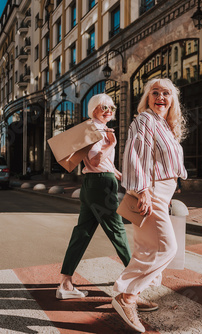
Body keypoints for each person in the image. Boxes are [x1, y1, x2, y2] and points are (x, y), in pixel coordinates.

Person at [111, 78, 188, 333]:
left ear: (172, 100)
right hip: (150, 191)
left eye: (166, 93)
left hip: (161, 192)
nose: (160, 97)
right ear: (147, 98)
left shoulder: (165, 125)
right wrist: (142, 190)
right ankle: (127, 296)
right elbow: (136, 154)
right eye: (154, 93)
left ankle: (135, 291)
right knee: (167, 247)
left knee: (146, 247)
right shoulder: (145, 119)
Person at [56, 94, 132, 300]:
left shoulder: (94, 127)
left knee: (82, 233)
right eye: (104, 107)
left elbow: (102, 165)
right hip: (101, 184)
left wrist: (119, 175)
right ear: (94, 109)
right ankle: (136, 277)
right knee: (117, 230)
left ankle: (65, 282)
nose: (109, 111)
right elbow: (97, 160)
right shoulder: (95, 129)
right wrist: (111, 144)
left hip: (92, 183)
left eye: (112, 108)